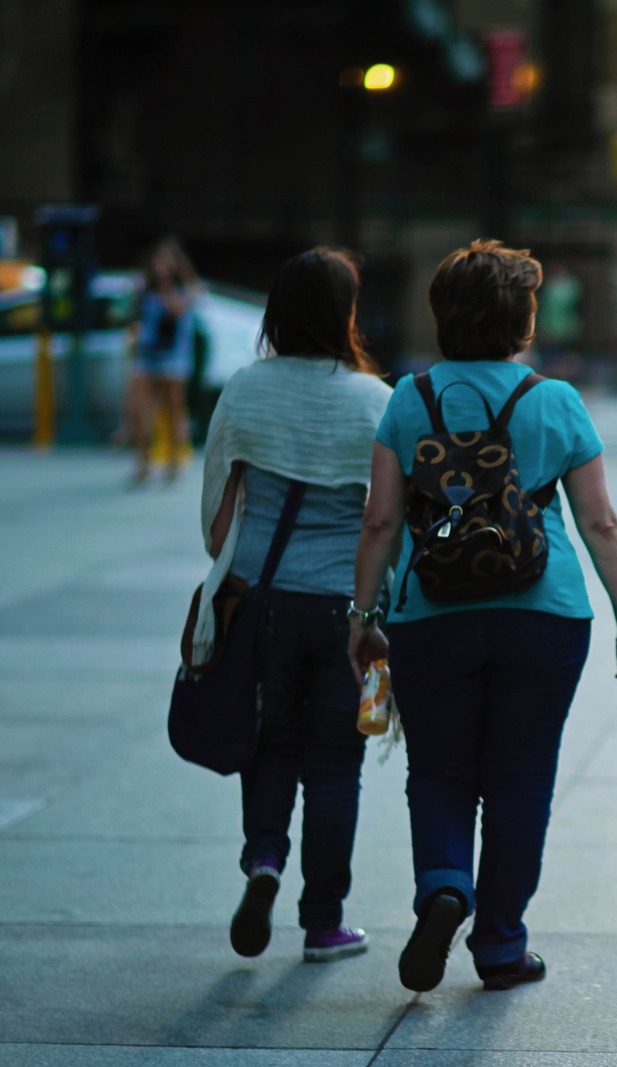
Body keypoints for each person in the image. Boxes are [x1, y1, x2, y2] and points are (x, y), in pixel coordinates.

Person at [348, 239, 617, 993]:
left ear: (443, 316)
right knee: (521, 782)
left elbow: (381, 523)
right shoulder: (554, 401)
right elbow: (601, 524)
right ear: (520, 321)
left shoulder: (407, 400)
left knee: (441, 770)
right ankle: (499, 943)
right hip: (543, 614)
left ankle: (446, 884)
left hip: (431, 613)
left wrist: (363, 616)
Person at [198, 248, 394, 963]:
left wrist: (233, 569)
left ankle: (263, 862)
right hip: (345, 607)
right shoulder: (376, 400)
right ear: (346, 312)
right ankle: (324, 922)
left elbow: (218, 509)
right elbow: (385, 520)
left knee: (269, 742)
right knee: (336, 765)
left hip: (264, 602)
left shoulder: (247, 389)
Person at [130, 237, 203, 485]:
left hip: (174, 356)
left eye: (166, 262)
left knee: (174, 409)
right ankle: (143, 463)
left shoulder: (182, 290)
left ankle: (174, 462)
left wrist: (173, 278)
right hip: (147, 354)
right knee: (140, 409)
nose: (160, 266)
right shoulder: (145, 291)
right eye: (157, 261)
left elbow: (178, 308)